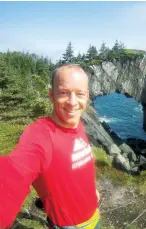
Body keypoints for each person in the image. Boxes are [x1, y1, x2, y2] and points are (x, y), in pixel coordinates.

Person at [0, 64, 101, 229]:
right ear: (51, 95)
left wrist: (93, 191)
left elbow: (77, 163)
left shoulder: (77, 124)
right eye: (64, 93)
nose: (72, 102)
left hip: (95, 217)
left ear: (87, 96)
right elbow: (11, 175)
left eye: (79, 94)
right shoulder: (40, 135)